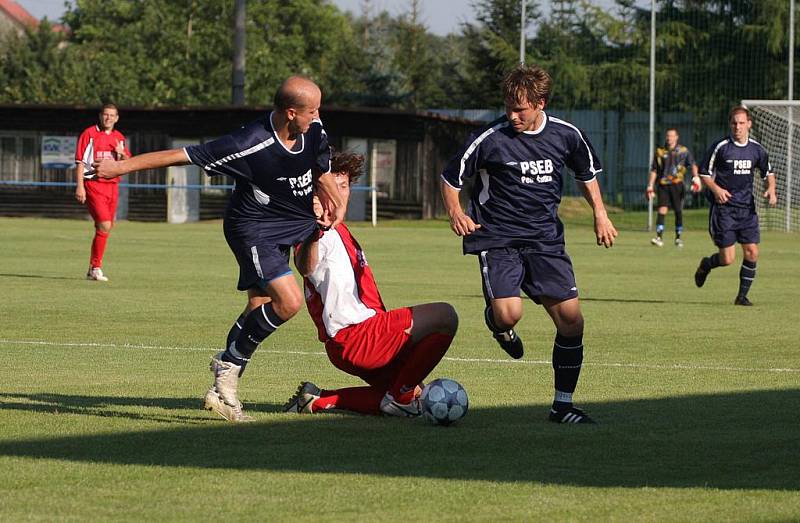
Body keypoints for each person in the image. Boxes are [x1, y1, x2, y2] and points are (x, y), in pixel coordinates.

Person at [94, 76, 346, 422]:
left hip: (293, 220)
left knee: (259, 305)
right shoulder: (248, 142)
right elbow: (180, 156)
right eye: (312, 110)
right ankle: (228, 366)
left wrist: (335, 202)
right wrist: (118, 167)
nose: (318, 116)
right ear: (290, 113)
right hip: (253, 228)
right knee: (288, 302)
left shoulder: (312, 128)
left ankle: (223, 392)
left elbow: (320, 168)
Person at [440, 64, 617, 424]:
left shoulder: (567, 135)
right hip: (498, 237)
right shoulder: (490, 137)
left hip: (544, 240)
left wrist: (600, 213)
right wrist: (456, 212)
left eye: (519, 108)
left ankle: (562, 406)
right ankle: (499, 326)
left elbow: (586, 174)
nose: (512, 115)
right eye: (508, 106)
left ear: (540, 103)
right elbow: (451, 177)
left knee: (571, 321)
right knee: (510, 313)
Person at [284, 152, 458, 417]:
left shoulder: (339, 228)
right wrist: (314, 232)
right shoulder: (315, 228)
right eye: (332, 186)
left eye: (344, 186)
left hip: (352, 341)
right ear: (316, 191)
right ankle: (401, 396)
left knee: (417, 394)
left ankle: (319, 399)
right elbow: (305, 266)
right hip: (357, 336)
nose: (339, 194)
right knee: (445, 316)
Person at [694, 106, 777, 306]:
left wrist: (771, 190)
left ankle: (741, 297)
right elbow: (704, 173)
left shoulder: (757, 149)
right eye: (734, 123)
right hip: (724, 210)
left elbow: (768, 173)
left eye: (741, 123)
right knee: (727, 259)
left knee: (752, 252)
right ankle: (706, 264)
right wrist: (716, 190)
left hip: (747, 210)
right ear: (730, 124)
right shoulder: (721, 147)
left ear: (749, 124)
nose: (737, 127)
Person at [74, 103, 132, 282]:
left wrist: (121, 153)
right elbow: (80, 162)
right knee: (105, 225)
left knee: (104, 227)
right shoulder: (89, 134)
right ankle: (96, 267)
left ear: (117, 118)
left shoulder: (118, 137)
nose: (108, 118)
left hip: (112, 186)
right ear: (100, 116)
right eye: (105, 114)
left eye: (112, 115)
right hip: (93, 183)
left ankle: (93, 268)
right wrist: (80, 185)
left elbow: (128, 161)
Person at [646, 127, 700, 247]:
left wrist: (696, 178)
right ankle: (659, 237)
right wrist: (650, 185)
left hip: (677, 184)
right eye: (667, 136)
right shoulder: (660, 151)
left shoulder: (683, 151)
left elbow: (693, 164)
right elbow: (654, 170)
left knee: (678, 210)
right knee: (662, 209)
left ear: (676, 137)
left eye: (671, 136)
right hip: (663, 185)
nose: (669, 138)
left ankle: (678, 237)